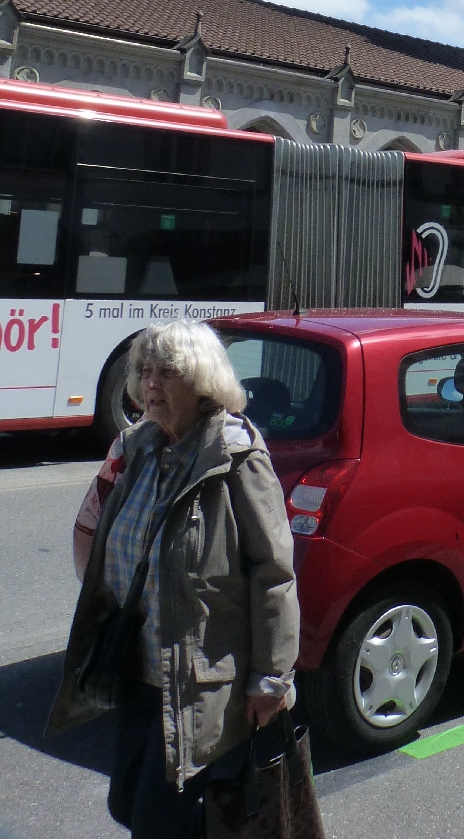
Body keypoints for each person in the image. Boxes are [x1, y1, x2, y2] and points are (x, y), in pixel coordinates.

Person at [47, 322, 300, 839]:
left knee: (159, 823)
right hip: (138, 670)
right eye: (144, 371)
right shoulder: (140, 446)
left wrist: (271, 679)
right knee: (125, 801)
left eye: (166, 372)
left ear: (202, 381)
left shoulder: (236, 457)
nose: (150, 383)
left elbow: (273, 574)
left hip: (198, 682)